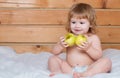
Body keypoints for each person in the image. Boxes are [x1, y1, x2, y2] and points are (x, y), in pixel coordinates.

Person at [48, 3, 112, 78]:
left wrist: (88, 49)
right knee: (52, 59)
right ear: (69, 22)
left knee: (106, 61)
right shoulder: (68, 37)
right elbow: (54, 52)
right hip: (70, 69)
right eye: (73, 22)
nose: (77, 26)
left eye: (81, 23)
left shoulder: (93, 38)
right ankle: (58, 72)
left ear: (90, 24)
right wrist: (60, 46)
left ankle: (87, 74)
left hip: (88, 67)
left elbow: (98, 56)